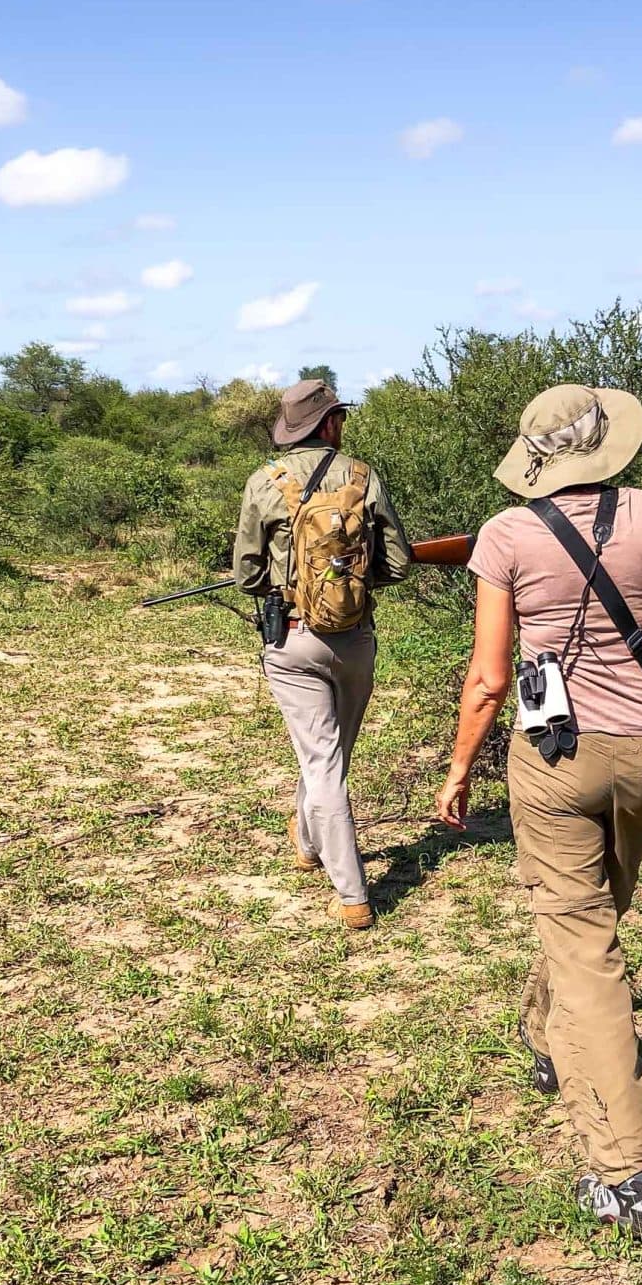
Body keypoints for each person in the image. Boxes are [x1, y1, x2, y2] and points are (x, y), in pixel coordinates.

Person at [434, 383, 642, 1237]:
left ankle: (627, 1171)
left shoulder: (507, 534)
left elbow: (491, 678)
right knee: (590, 922)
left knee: (585, 945)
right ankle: (545, 1039)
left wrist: (460, 767)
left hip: (553, 757)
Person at [235, 377, 412, 928]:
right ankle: (308, 840)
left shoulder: (264, 481)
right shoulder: (363, 476)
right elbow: (400, 563)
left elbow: (246, 574)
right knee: (330, 758)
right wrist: (353, 584)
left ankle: (354, 894)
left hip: (292, 637)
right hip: (355, 639)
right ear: (330, 422)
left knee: (321, 760)